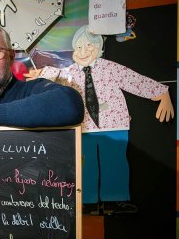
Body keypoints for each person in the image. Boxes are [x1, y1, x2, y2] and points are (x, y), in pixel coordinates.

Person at [26, 25, 174, 215]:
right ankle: (87, 201)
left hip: (114, 124)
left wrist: (162, 93)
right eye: (79, 47)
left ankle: (115, 200)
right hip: (83, 126)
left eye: (89, 46)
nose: (83, 51)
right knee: (86, 164)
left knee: (116, 161)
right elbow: (54, 77)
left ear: (99, 49)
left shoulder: (110, 68)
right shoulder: (69, 72)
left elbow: (133, 79)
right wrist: (41, 75)